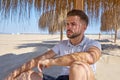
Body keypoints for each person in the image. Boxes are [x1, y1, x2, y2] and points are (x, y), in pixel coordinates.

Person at [5, 9, 101, 80]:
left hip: (83, 76)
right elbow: (36, 60)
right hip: (61, 78)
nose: (68, 27)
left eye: (73, 24)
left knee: (77, 66)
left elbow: (90, 58)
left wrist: (52, 62)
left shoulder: (92, 44)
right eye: (67, 24)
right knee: (27, 75)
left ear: (84, 27)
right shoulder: (62, 45)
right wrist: (12, 74)